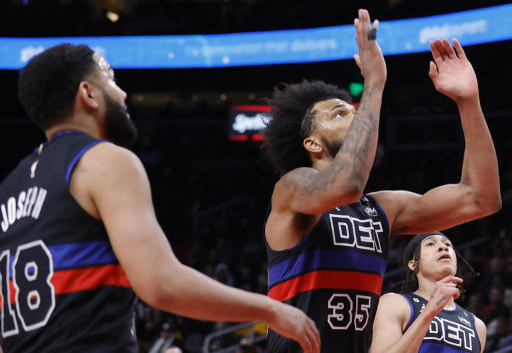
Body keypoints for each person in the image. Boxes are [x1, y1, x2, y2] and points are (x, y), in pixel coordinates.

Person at [0, 43, 319, 353]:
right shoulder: (104, 160)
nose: (123, 93)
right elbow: (160, 283)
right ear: (87, 93)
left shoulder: (9, 186)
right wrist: (269, 309)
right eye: (110, 78)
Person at [262, 10, 500, 353]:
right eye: (340, 113)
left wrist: (468, 102)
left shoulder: (381, 208)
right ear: (311, 143)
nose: (357, 115)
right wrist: (374, 83)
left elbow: (481, 198)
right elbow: (346, 185)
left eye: (356, 110)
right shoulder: (292, 189)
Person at [369, 232, 485, 353]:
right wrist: (430, 311)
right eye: (430, 244)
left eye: (448, 245)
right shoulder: (394, 303)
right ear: (413, 264)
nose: (443, 247)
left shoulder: (478, 326)